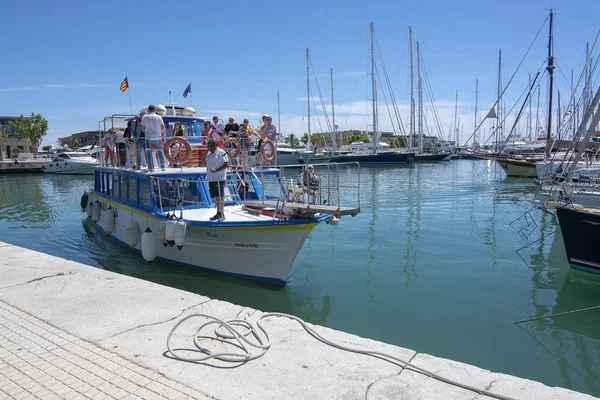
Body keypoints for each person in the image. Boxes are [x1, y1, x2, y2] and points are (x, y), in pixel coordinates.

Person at [205, 139, 229, 221]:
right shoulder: (208, 153)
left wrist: (217, 170)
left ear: (215, 145)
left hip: (219, 178)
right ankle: (218, 212)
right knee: (215, 197)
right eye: (208, 146)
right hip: (211, 178)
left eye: (210, 146)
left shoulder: (221, 152)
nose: (209, 148)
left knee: (220, 197)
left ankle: (221, 213)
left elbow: (226, 164)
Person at [141, 104, 166, 171]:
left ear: (148, 109)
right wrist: (159, 132)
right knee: (160, 151)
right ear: (154, 110)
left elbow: (142, 128)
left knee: (149, 152)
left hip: (148, 137)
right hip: (158, 136)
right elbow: (163, 127)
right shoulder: (158, 117)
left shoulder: (145, 117)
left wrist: (146, 131)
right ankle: (163, 166)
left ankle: (151, 167)